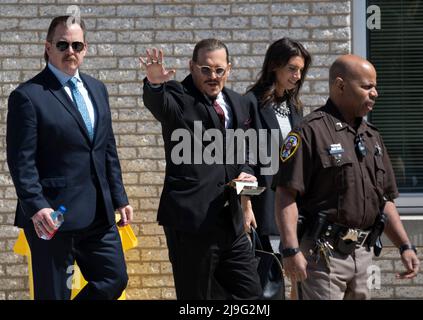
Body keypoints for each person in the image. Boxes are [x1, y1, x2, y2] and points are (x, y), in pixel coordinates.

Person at [6, 16, 133, 300]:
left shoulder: (97, 89)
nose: (70, 51)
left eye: (77, 45)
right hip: (52, 216)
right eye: (63, 44)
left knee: (114, 278)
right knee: (54, 294)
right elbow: (20, 161)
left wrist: (120, 197)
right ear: (48, 47)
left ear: (85, 48)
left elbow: (106, 149)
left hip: (99, 214)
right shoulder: (28, 96)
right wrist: (37, 206)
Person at [274, 54, 420, 300]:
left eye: (375, 86)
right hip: (321, 256)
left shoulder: (372, 137)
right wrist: (290, 250)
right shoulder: (310, 132)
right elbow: (286, 194)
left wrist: (405, 246)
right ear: (340, 85)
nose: (374, 93)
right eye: (367, 86)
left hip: (363, 254)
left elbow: (385, 200)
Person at [140, 39, 261, 299]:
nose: (212, 76)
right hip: (193, 223)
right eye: (205, 69)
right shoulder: (178, 95)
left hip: (232, 222)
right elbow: (160, 105)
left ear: (229, 69)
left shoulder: (239, 103)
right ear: (192, 67)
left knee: (251, 295)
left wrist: (247, 173)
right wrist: (154, 85)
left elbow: (247, 149)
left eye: (219, 70)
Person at [245, 38, 311, 253]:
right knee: (266, 280)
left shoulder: (295, 108)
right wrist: (245, 206)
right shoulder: (250, 103)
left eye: (300, 70)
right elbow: (242, 160)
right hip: (263, 209)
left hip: (293, 208)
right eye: (292, 69)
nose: (297, 76)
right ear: (274, 65)